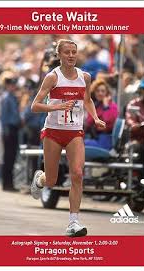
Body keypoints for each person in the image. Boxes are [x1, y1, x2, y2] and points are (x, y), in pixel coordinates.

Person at [30, 39, 106, 237]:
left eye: (74, 52)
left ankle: (73, 223)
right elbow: (35, 106)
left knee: (78, 174)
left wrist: (96, 118)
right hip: (53, 132)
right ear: (59, 55)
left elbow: (87, 100)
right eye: (67, 52)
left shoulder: (85, 77)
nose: (71, 55)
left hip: (75, 132)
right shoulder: (52, 78)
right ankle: (40, 179)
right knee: (52, 180)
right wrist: (55, 106)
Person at [0, 73, 21, 191]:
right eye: (11, 84)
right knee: (8, 157)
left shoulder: (12, 97)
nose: (13, 86)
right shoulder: (6, 98)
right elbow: (4, 117)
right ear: (7, 85)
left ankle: (10, 183)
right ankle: (6, 184)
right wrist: (6, 131)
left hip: (14, 129)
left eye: (14, 84)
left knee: (12, 157)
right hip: (9, 130)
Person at [84, 79, 118, 150]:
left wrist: (106, 106)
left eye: (103, 91)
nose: (100, 93)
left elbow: (108, 121)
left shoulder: (112, 106)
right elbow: (89, 122)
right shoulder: (96, 106)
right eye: (97, 91)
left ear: (107, 93)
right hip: (94, 137)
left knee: (82, 143)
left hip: (105, 139)